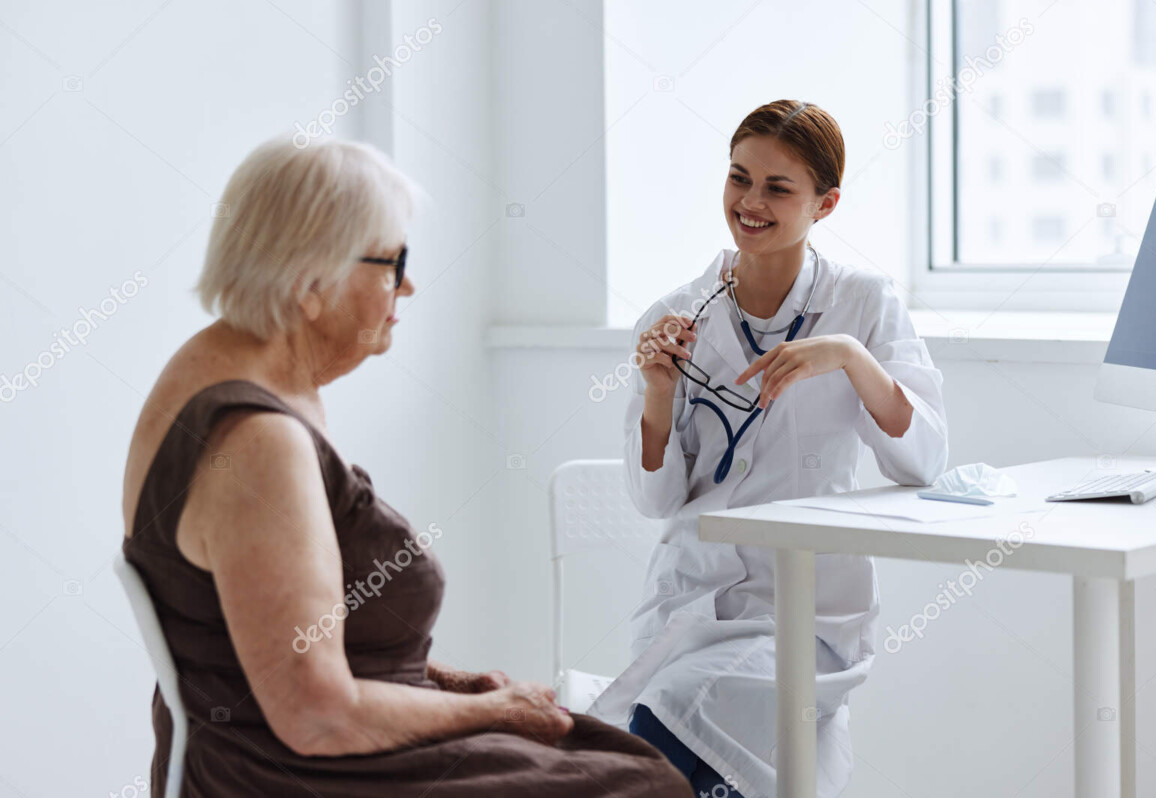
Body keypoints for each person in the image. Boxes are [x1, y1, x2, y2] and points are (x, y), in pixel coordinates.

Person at [120, 135, 691, 798]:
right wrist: (494, 712)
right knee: (637, 785)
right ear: (311, 281)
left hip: (278, 747)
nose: (409, 285)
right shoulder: (257, 443)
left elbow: (286, 637)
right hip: (291, 772)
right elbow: (317, 714)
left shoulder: (223, 366)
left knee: (614, 756)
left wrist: (452, 683)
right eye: (393, 261)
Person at [588, 100, 950, 797]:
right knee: (677, 734)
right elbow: (654, 499)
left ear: (826, 203)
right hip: (690, 600)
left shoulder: (863, 305)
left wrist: (848, 358)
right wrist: (659, 392)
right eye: (738, 178)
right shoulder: (678, 313)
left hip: (806, 609)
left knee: (664, 729)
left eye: (778, 188)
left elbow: (922, 461)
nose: (750, 203)